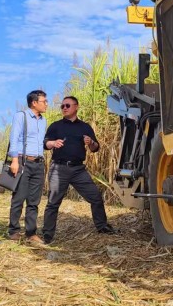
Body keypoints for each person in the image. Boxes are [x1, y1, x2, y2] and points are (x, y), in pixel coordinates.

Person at [40, 96, 119, 244]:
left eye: (67, 105)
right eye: (62, 106)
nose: (64, 108)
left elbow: (95, 148)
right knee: (53, 203)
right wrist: (53, 143)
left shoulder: (85, 127)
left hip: (78, 170)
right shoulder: (55, 126)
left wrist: (91, 143)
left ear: (76, 107)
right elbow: (45, 143)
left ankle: (102, 227)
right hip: (59, 169)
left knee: (95, 197)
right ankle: (47, 235)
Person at [7, 90, 48, 244]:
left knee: (34, 200)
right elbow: (14, 138)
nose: (46, 104)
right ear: (34, 103)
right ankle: (14, 231)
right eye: (44, 101)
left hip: (39, 163)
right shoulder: (21, 116)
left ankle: (31, 233)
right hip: (24, 162)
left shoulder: (43, 120)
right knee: (19, 197)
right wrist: (15, 160)